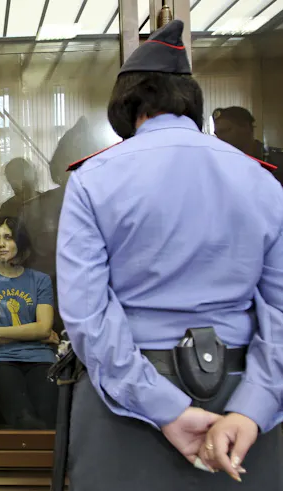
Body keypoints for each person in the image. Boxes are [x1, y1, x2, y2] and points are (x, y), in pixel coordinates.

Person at [56, 20, 282, 491]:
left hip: (127, 406)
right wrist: (254, 406)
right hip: (243, 409)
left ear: (126, 105)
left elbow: (87, 316)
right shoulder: (261, 180)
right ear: (191, 102)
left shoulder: (93, 180)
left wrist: (166, 408)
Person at [0, 217, 59, 430]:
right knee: (23, 418)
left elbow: (44, 326)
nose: (1, 244)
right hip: (0, 361)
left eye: (8, 238)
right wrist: (34, 331)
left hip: (41, 359)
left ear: (20, 242)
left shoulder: (40, 280)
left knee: (48, 419)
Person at [213, 106, 283, 183]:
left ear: (246, 127)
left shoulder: (278, 161)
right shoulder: (221, 165)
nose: (219, 138)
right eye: (217, 134)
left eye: (225, 131)